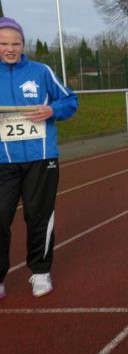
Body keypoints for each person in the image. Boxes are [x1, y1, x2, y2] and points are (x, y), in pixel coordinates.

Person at [0, 17, 78, 299]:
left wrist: (52, 110)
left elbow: (70, 101)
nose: (10, 49)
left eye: (15, 43)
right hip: (2, 162)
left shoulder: (41, 71)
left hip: (41, 159)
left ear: (23, 44)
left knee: (38, 217)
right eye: (4, 44)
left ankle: (41, 271)